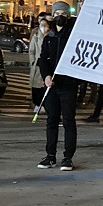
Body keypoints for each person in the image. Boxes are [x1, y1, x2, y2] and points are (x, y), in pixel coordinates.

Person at [36, 16, 77, 171]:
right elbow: (43, 59)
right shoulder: (49, 38)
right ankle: (50, 155)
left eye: (63, 13)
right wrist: (46, 76)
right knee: (52, 120)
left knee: (68, 120)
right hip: (51, 86)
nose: (60, 16)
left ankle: (68, 157)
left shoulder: (73, 37)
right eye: (57, 12)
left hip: (68, 86)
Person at [27, 11, 47, 113]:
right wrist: (33, 62)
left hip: (46, 65)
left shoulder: (50, 36)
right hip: (37, 64)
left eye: (45, 25)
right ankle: (37, 104)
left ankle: (43, 105)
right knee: (36, 86)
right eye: (41, 25)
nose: (43, 27)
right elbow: (31, 51)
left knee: (44, 86)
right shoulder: (36, 35)